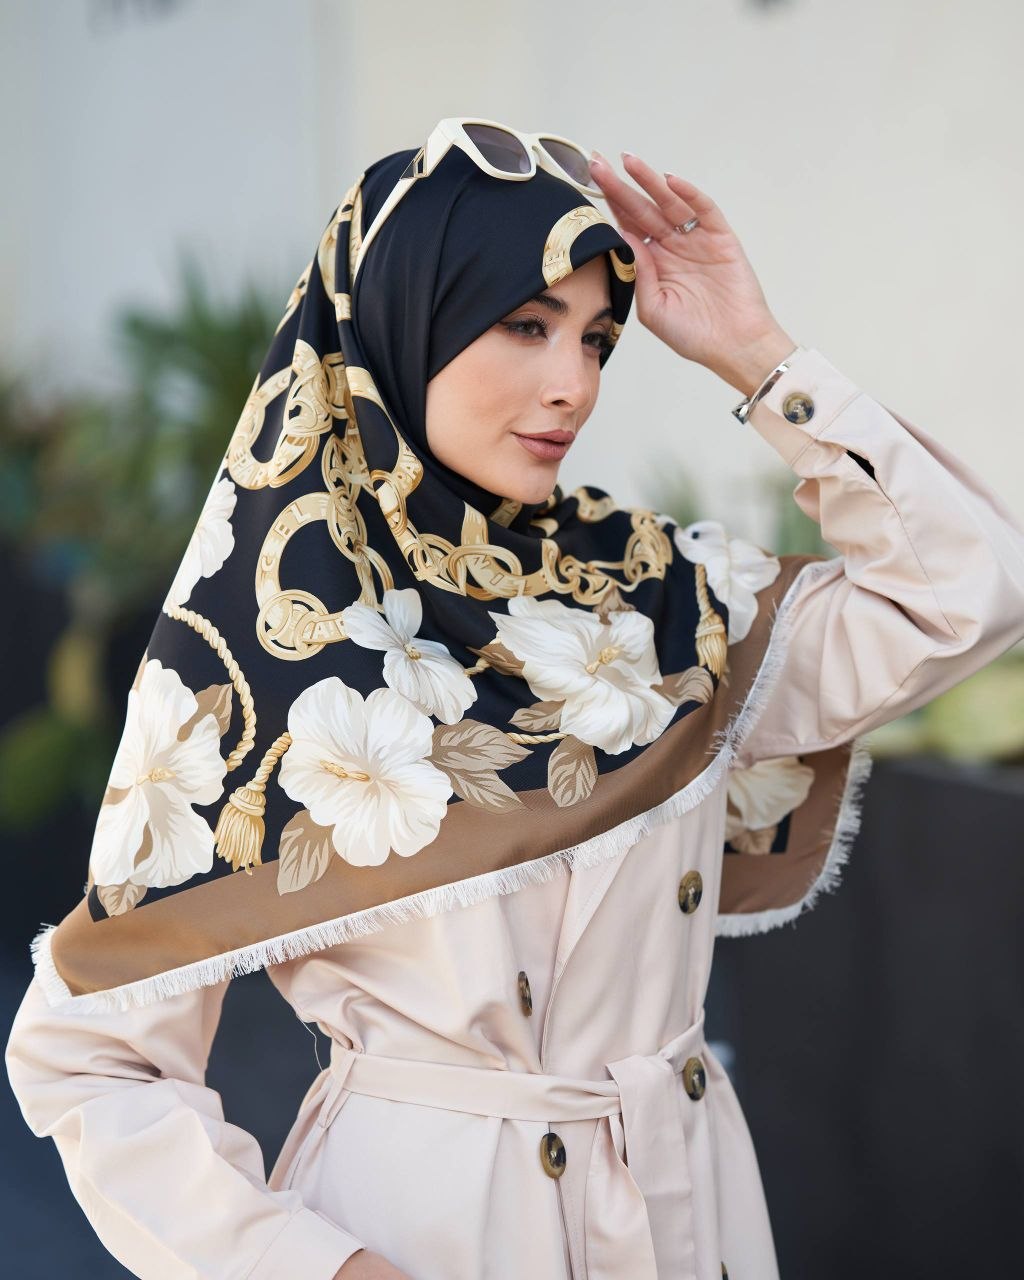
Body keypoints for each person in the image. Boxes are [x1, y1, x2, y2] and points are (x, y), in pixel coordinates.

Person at [6, 117, 1024, 1280]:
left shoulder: (664, 603)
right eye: (525, 324)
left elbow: (968, 589)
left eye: (596, 338)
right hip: (426, 1233)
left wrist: (756, 355)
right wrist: (322, 1270)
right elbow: (90, 1059)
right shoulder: (261, 643)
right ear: (405, 321)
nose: (572, 384)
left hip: (682, 1210)